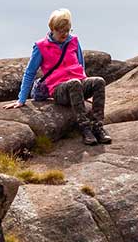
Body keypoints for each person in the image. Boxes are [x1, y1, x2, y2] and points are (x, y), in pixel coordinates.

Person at [6, 8, 111, 144]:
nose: (65, 34)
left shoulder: (73, 41)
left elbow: (80, 64)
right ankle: (85, 129)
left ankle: (98, 127)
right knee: (74, 83)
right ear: (53, 29)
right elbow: (30, 73)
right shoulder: (41, 47)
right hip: (59, 89)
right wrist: (21, 99)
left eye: (68, 30)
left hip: (78, 84)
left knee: (99, 81)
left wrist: (85, 92)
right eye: (61, 31)